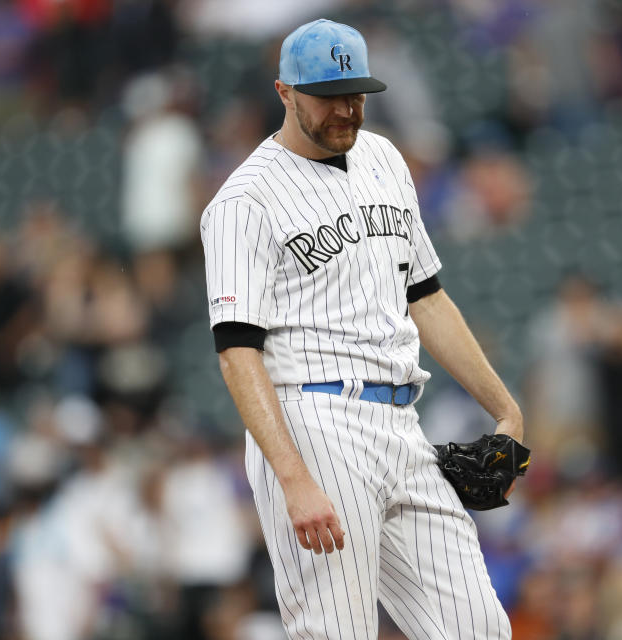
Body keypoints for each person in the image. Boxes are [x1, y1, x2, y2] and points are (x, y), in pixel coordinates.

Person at [200, 18, 524, 640]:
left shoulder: (383, 158)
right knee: (335, 631)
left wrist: (504, 407)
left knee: (478, 628)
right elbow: (237, 353)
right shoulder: (245, 202)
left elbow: (426, 296)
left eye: (357, 93)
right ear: (285, 92)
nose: (348, 109)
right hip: (315, 422)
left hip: (403, 423)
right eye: (329, 94)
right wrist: (292, 479)